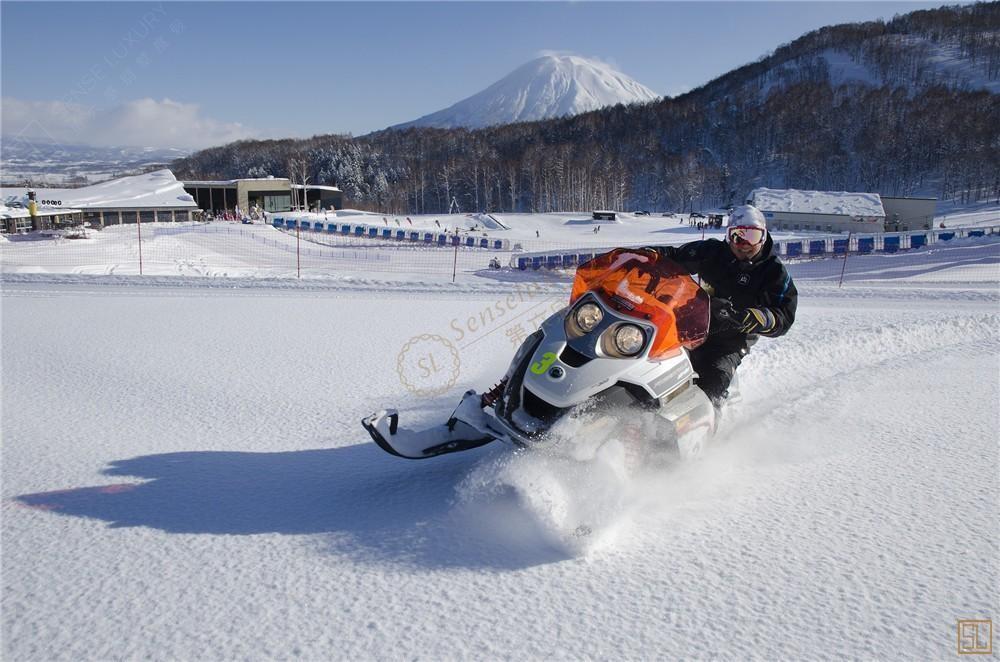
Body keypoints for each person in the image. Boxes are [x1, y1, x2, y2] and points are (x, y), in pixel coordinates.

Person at [648, 204, 797, 409]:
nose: (744, 244)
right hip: (688, 328)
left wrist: (756, 317)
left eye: (752, 237)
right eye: (738, 236)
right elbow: (674, 256)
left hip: (729, 342)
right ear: (728, 236)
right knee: (652, 367)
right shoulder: (712, 252)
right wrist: (647, 256)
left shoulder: (773, 272)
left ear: (763, 237)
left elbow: (784, 314)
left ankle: (709, 429)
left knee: (710, 386)